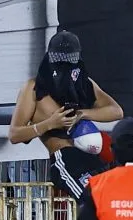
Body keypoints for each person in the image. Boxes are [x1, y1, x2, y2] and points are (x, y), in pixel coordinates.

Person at [8, 31, 123, 201]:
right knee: (95, 201)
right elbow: (14, 134)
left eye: (68, 59)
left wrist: (82, 114)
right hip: (65, 156)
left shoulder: (84, 82)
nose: (63, 65)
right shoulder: (33, 88)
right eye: (59, 59)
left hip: (91, 155)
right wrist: (49, 123)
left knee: (113, 201)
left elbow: (116, 111)